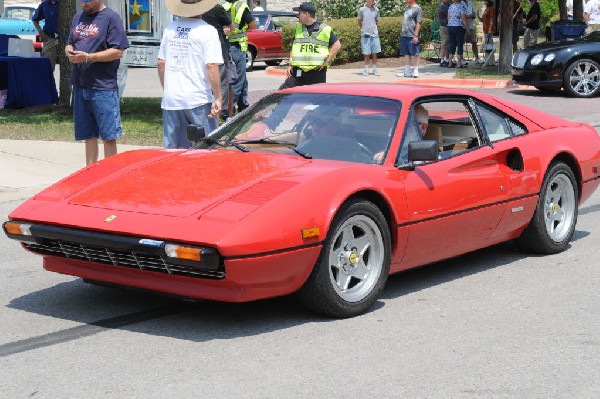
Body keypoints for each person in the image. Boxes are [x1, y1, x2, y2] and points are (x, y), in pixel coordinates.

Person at [65, 0, 129, 166]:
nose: (83, 4)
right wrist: (69, 51)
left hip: (103, 87)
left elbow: (118, 51)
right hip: (81, 85)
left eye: (87, 1)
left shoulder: (111, 18)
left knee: (108, 137)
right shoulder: (79, 16)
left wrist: (87, 57)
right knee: (88, 135)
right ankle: (90, 175)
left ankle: (109, 178)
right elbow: (71, 41)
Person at [158, 0, 223, 149]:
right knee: (206, 149)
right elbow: (211, 65)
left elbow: (161, 62)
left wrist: (167, 88)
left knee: (173, 152)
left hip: (171, 100)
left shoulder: (170, 29)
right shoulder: (207, 31)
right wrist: (218, 97)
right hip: (198, 98)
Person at [281, 2, 341, 88]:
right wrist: (290, 64)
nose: (297, 15)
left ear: (306, 14)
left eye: (299, 13)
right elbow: (294, 47)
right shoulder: (298, 28)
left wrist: (328, 60)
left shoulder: (325, 29)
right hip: (298, 71)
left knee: (315, 99)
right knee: (284, 94)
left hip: (316, 72)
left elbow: (337, 45)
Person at [220, 0, 256, 118]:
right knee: (237, 81)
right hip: (237, 47)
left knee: (242, 80)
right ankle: (227, 113)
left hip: (225, 46)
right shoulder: (241, 7)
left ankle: (244, 107)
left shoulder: (222, 5)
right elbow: (253, 25)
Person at [202, 4, 235, 121]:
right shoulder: (217, 8)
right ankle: (219, 115)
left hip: (199, 50)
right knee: (222, 83)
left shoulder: (196, 9)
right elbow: (231, 27)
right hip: (219, 50)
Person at [397, 0, 423, 78]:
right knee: (406, 53)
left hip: (412, 35)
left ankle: (415, 71)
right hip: (404, 34)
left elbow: (419, 22)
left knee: (415, 53)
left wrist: (416, 35)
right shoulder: (406, 8)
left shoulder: (418, 9)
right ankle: (407, 71)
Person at [32, 0, 59, 71]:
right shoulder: (44, 4)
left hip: (65, 39)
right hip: (50, 38)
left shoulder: (64, 4)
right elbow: (35, 19)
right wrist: (40, 32)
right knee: (48, 67)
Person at [358, 0, 381, 76]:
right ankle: (366, 69)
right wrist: (364, 30)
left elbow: (376, 21)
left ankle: (375, 69)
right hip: (365, 36)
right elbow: (359, 21)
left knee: (374, 53)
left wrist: (373, 30)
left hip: (374, 35)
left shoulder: (376, 10)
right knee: (366, 53)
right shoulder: (362, 9)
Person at [447, 0, 468, 68]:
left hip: (450, 26)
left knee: (452, 44)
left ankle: (450, 63)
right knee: (459, 44)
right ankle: (459, 64)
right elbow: (463, 18)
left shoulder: (451, 6)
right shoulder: (462, 5)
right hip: (459, 26)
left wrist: (450, 23)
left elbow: (448, 17)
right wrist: (467, 29)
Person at [478, 0, 496, 66]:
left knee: (489, 45)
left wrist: (490, 28)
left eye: (485, 1)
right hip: (485, 29)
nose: (484, 2)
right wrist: (478, 15)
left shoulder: (491, 9)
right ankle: (488, 61)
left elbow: (492, 19)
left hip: (489, 30)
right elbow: (482, 20)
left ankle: (490, 62)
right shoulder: (486, 9)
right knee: (487, 45)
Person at [437, 0, 451, 67]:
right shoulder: (443, 6)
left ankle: (445, 59)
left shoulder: (446, 5)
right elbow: (450, 14)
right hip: (445, 27)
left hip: (444, 26)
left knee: (446, 43)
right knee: (445, 44)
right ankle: (443, 60)